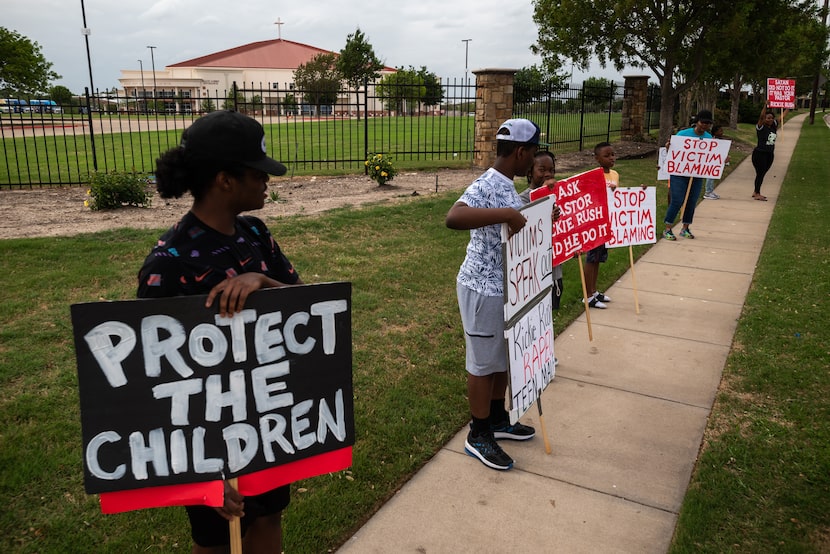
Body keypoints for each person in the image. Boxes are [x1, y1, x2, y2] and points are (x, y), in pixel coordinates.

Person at [137, 110, 302, 553]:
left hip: (266, 419)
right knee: (217, 538)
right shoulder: (170, 263)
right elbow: (152, 376)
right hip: (205, 437)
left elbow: (304, 305)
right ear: (225, 180)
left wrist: (263, 282)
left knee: (268, 517)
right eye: (257, 174)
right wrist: (199, 472)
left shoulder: (256, 234)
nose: (267, 182)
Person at [445, 118, 541, 471]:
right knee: (484, 363)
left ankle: (499, 419)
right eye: (531, 154)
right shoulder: (487, 183)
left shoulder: (508, 185)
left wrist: (538, 212)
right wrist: (506, 213)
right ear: (520, 152)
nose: (532, 161)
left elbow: (514, 220)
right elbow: (454, 217)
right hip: (481, 289)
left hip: (505, 289)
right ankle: (478, 433)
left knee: (501, 358)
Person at [521, 150, 563, 366]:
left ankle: (545, 351)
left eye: (552, 170)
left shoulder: (559, 198)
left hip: (553, 270)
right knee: (532, 316)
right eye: (542, 170)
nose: (548, 174)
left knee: (547, 315)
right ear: (530, 172)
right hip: (533, 273)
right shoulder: (521, 200)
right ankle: (533, 356)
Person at [662, 109, 714, 241]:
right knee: (678, 200)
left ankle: (685, 228)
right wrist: (669, 147)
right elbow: (673, 152)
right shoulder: (682, 134)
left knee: (691, 201)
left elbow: (711, 156)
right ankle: (668, 228)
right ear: (697, 122)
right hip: (679, 173)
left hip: (696, 175)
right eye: (703, 122)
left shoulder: (708, 138)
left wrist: (722, 159)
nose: (705, 125)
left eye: (708, 123)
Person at [583, 142, 618, 308]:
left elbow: (619, 198)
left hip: (606, 223)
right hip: (594, 223)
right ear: (597, 159)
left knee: (598, 258)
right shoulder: (593, 176)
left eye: (612, 154)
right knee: (591, 258)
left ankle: (594, 290)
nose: (611, 158)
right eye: (607, 155)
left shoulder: (615, 175)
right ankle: (587, 295)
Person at [751, 104, 778, 201]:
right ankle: (757, 193)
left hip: (769, 154)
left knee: (762, 173)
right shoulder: (761, 127)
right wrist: (765, 106)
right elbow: (761, 117)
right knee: (760, 173)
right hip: (760, 154)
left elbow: (783, 117)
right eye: (768, 118)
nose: (770, 120)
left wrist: (788, 105)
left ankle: (755, 191)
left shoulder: (774, 127)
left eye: (771, 118)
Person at [703, 125, 727, 200]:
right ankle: (707, 192)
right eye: (720, 131)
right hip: (711, 161)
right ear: (715, 132)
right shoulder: (711, 139)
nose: (722, 132)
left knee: (712, 176)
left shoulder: (719, 140)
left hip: (715, 160)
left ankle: (710, 191)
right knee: (710, 176)